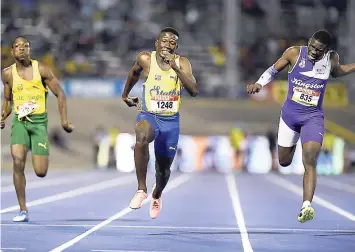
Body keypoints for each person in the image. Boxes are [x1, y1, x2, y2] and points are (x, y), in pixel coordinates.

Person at [247, 30, 355, 223]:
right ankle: (295, 140)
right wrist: (259, 83)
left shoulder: (331, 59)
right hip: (290, 116)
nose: (313, 50)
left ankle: (307, 206)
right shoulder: (294, 53)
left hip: (313, 117)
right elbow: (273, 69)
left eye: (318, 49)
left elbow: (340, 71)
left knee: (310, 157)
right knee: (284, 161)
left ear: (327, 50)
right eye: (312, 46)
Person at [122, 27, 198, 219]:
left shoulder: (183, 62)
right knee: (141, 135)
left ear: (176, 46)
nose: (167, 44)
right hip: (149, 114)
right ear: (157, 43)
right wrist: (125, 95)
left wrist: (176, 68)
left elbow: (194, 90)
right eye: (164, 41)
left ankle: (157, 194)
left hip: (170, 121)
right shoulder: (145, 59)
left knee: (163, 171)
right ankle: (141, 190)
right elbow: (133, 73)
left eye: (172, 42)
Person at [1, 36, 74, 222]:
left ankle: (38, 152)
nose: (22, 49)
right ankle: (23, 209)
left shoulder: (41, 69)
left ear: (30, 50)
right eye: (18, 46)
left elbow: (60, 94)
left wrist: (64, 121)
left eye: (26, 46)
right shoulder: (7, 74)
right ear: (12, 51)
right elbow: (8, 101)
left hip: (39, 124)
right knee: (18, 162)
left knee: (41, 172)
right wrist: (3, 115)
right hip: (20, 123)